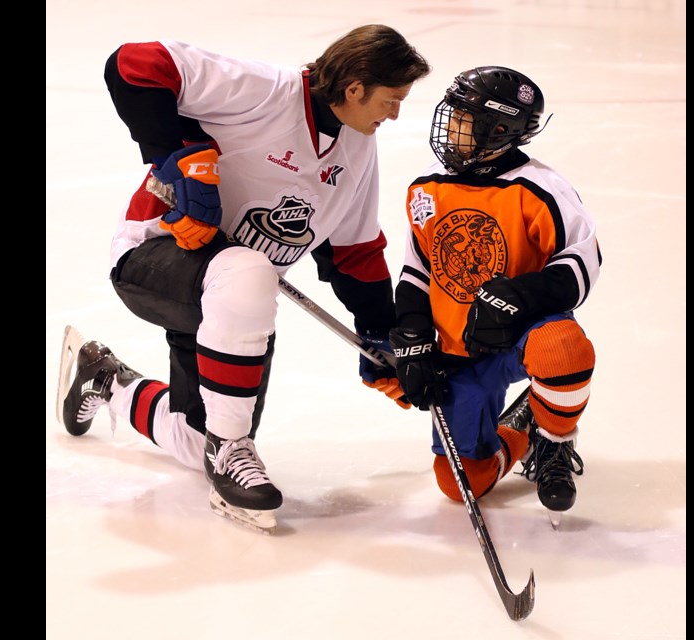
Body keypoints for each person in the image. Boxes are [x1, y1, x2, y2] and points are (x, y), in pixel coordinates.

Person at [57, 25, 431, 534]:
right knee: (250, 271)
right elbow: (135, 64)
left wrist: (378, 337)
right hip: (155, 255)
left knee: (198, 440)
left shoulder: (357, 151)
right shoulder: (264, 91)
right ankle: (233, 447)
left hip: (233, 302)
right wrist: (179, 156)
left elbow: (355, 252)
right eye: (392, 100)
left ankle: (107, 379)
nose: (395, 114)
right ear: (354, 88)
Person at [387, 66, 599, 525]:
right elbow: (417, 268)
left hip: (522, 335)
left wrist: (519, 296)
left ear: (499, 129)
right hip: (460, 348)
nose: (450, 127)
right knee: (460, 482)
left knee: (563, 351)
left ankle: (555, 441)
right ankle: (524, 422)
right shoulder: (428, 185)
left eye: (464, 118)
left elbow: (582, 264)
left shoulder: (540, 188)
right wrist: (412, 333)